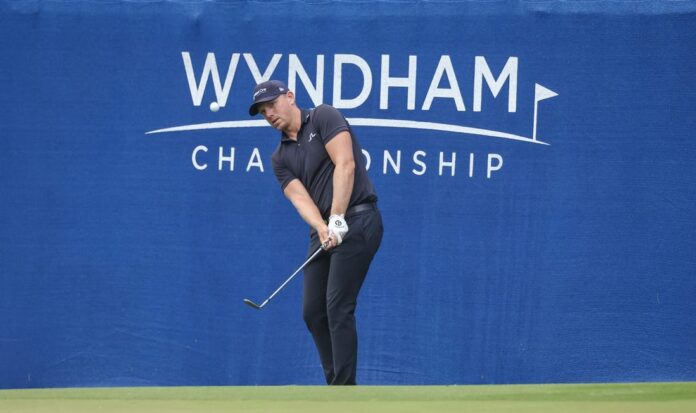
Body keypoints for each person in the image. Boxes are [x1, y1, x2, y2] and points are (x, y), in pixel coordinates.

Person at [249, 80, 383, 385]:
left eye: (272, 105)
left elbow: (346, 165)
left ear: (290, 97)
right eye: (263, 111)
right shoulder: (279, 157)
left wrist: (336, 218)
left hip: (358, 219)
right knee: (313, 311)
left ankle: (343, 391)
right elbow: (300, 199)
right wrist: (323, 227)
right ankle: (335, 384)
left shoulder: (323, 116)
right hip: (325, 229)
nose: (269, 114)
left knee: (337, 306)